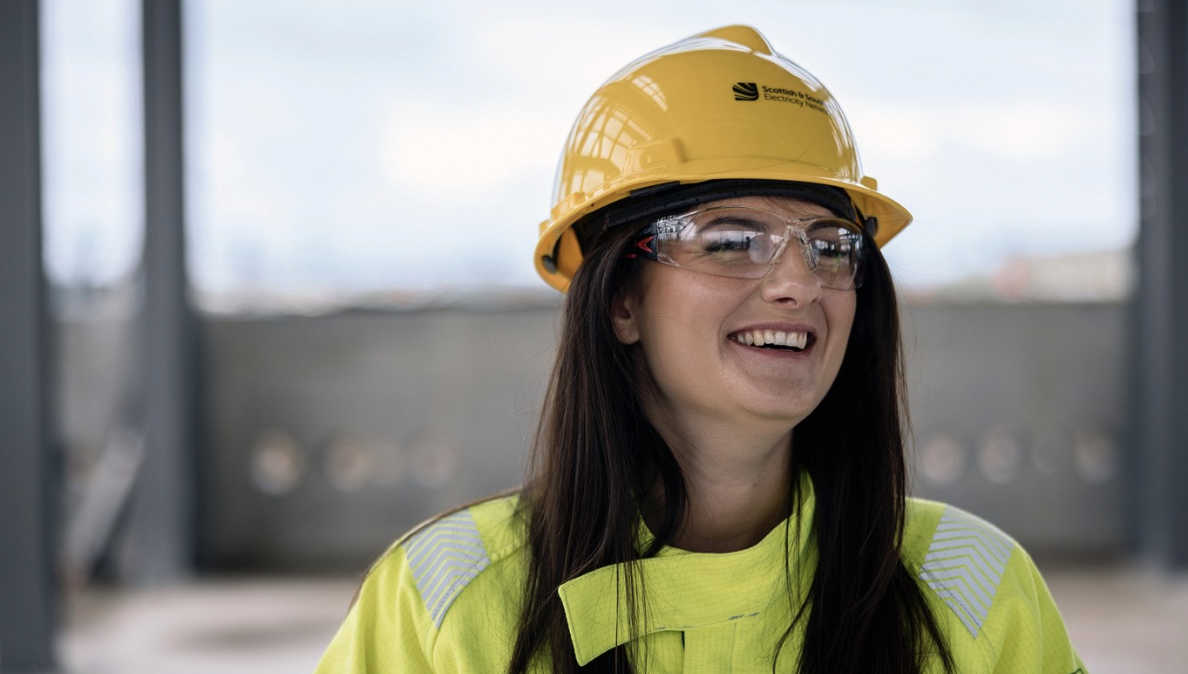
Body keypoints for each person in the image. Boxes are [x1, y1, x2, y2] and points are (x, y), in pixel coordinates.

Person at [314, 25, 1087, 673]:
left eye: (830, 246)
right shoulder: (444, 598)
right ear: (621, 300)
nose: (799, 284)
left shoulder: (973, 588)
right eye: (732, 241)